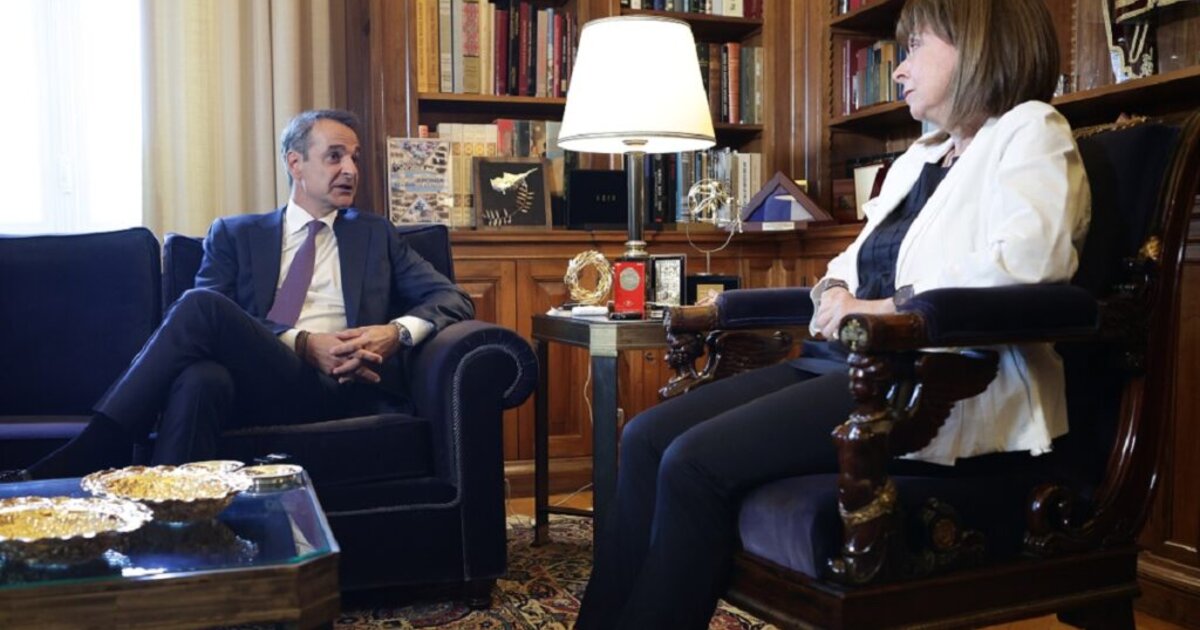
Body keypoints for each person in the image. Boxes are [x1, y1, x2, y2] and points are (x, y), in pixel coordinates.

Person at [573, 0, 1091, 628]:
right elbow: (843, 266)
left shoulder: (1032, 131)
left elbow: (1027, 265)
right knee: (644, 436)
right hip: (838, 362)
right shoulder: (919, 160)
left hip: (924, 382)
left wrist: (877, 306)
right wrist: (835, 295)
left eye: (915, 47)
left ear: (977, 46)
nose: (899, 70)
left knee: (693, 463)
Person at [5, 109, 474, 480]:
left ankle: (99, 445)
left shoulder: (376, 234)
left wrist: (396, 333)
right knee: (202, 372)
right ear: (295, 163)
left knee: (200, 329)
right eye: (334, 156)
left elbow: (452, 298)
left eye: (354, 158)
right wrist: (302, 343)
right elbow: (205, 322)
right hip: (265, 380)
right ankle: (171, 530)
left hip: (348, 385)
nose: (350, 169)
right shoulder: (236, 234)